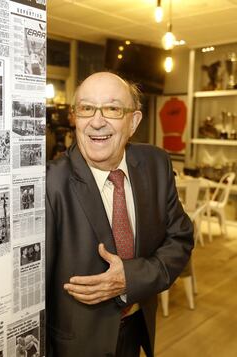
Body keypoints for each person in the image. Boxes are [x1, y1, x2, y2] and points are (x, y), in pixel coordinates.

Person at [46, 72, 194, 357]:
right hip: (74, 346)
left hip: (136, 330)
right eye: (87, 108)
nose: (97, 121)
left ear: (133, 122)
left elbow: (181, 239)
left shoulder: (156, 164)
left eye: (112, 109)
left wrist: (131, 278)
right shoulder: (50, 183)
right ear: (75, 117)